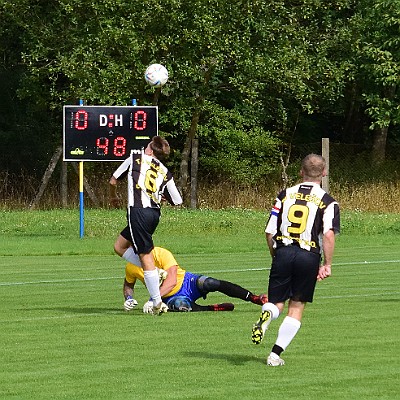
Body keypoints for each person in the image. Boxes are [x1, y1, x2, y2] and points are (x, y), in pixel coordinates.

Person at [251, 154, 340, 366]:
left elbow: (269, 231)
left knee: (276, 302)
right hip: (308, 255)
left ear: (301, 171)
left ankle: (267, 316)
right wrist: (327, 264)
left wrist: (276, 254)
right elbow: (328, 234)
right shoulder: (328, 201)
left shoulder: (284, 195)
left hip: (283, 250)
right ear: (324, 173)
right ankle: (274, 355)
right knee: (297, 306)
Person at [109, 136, 183, 315]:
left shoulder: (135, 157)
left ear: (149, 148)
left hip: (138, 212)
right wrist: (160, 195)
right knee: (119, 246)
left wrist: (113, 197)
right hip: (153, 214)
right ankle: (154, 272)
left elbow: (113, 180)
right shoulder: (165, 170)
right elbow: (177, 200)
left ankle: (157, 301)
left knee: (145, 255)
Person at [122, 246, 268, 313]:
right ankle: (212, 308)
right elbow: (128, 285)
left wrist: (153, 299)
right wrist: (128, 298)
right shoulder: (131, 266)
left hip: (187, 282)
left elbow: (172, 280)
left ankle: (253, 298)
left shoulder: (161, 253)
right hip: (169, 297)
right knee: (181, 306)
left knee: (211, 283)